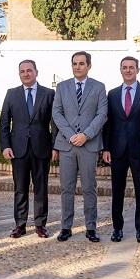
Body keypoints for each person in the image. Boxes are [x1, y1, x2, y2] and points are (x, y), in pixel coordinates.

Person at [52, 51, 108, 242]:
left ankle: (91, 227)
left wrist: (86, 135)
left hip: (88, 145)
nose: (78, 66)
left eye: (82, 63)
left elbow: (102, 115)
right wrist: (71, 135)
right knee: (66, 188)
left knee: (89, 188)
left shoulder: (99, 87)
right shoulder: (62, 87)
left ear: (89, 66)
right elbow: (57, 113)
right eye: (75, 63)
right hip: (67, 145)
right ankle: (66, 227)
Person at [102, 56, 140, 244]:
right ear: (120, 70)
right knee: (117, 192)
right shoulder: (112, 94)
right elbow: (107, 125)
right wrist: (106, 148)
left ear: (137, 70)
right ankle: (117, 228)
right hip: (117, 151)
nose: (128, 70)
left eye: (131, 67)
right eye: (124, 67)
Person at [0, 59, 57, 239]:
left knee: (41, 188)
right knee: (20, 188)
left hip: (42, 148)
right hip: (18, 149)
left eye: (29, 70)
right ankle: (20, 224)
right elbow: (4, 123)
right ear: (19, 74)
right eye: (22, 71)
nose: (26, 74)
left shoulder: (49, 94)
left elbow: (55, 123)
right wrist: (5, 146)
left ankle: (40, 224)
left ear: (36, 72)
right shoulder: (11, 94)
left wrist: (55, 146)